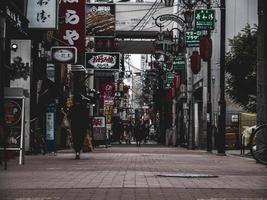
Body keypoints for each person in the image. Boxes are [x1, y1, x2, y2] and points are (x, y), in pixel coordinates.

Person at [69, 94, 89, 159]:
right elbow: (87, 117)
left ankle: (77, 151)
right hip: (82, 125)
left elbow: (69, 116)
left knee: (75, 138)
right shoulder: (84, 107)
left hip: (74, 125)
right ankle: (79, 150)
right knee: (81, 138)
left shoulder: (72, 107)